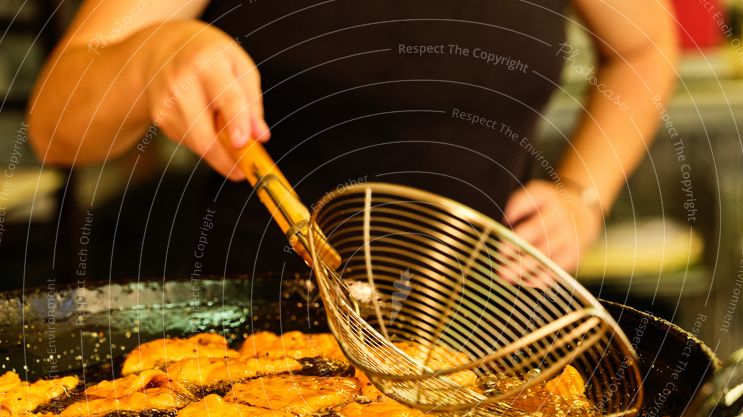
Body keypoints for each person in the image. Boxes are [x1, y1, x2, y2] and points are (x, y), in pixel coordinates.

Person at [28, 0, 677, 278]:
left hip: (483, 322)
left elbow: (645, 48)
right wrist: (151, 57)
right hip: (256, 320)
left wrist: (581, 197)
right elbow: (55, 129)